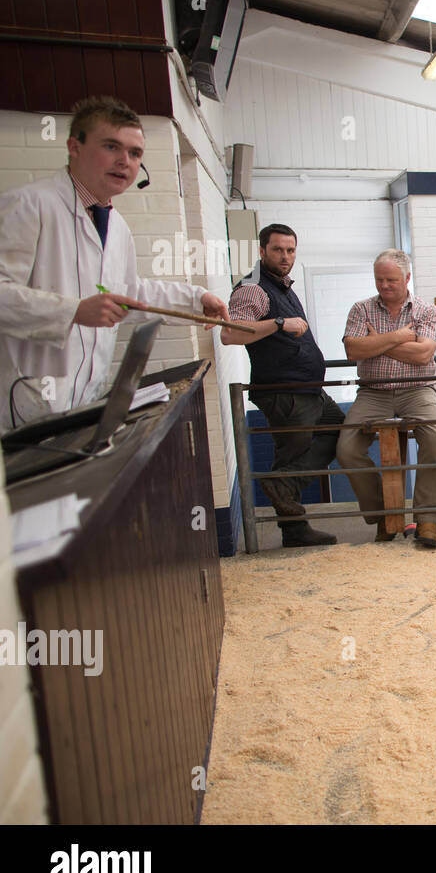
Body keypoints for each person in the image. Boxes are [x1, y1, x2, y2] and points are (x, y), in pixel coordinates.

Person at [1, 95, 229, 431]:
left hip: (83, 406)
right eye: (111, 146)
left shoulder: (116, 225)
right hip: (23, 410)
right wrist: (73, 311)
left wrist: (196, 300)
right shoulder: (29, 205)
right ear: (73, 147)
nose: (125, 161)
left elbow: (125, 293)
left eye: (135, 153)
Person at [222, 224, 340, 548]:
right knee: (291, 455)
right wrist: (278, 323)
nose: (285, 256)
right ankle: (294, 527)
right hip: (285, 393)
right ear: (262, 251)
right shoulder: (253, 288)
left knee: (341, 430)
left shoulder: (283, 287)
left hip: (309, 390)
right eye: (277, 250)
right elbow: (230, 333)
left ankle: (284, 487)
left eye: (290, 250)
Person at [335, 250, 436, 549]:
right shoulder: (360, 309)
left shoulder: (426, 311)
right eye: (379, 279)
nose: (384, 285)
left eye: (391, 280)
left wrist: (377, 343)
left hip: (418, 390)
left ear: (407, 278)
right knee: (346, 449)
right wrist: (400, 336)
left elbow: (424, 354)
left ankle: (427, 519)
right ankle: (387, 513)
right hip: (373, 392)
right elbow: (353, 351)